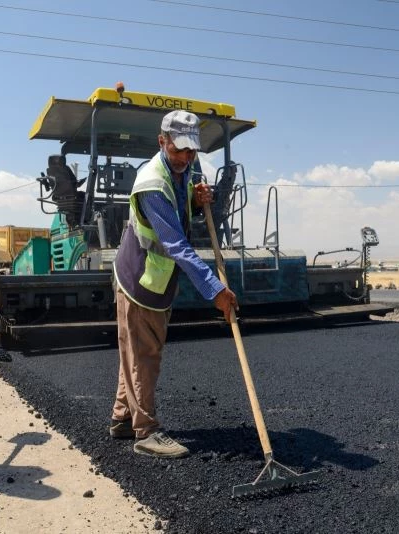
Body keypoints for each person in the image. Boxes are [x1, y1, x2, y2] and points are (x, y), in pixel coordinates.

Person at [109, 110, 238, 458]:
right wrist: (214, 289)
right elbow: (176, 244)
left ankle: (123, 419)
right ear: (162, 141)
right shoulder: (152, 183)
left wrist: (195, 202)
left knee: (134, 351)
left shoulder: (179, 172)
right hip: (142, 278)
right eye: (179, 149)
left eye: (191, 151)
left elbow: (180, 213)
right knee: (145, 354)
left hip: (155, 276)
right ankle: (146, 432)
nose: (185, 157)